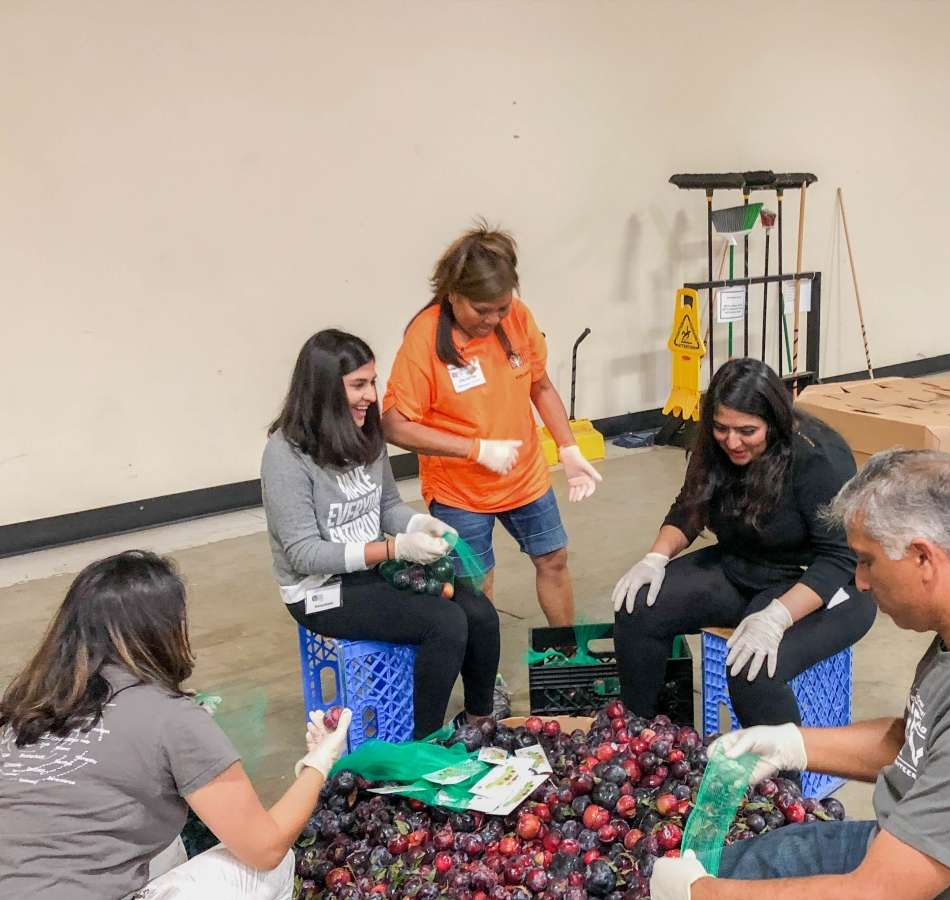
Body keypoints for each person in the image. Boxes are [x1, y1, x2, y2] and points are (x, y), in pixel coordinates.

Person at [651, 449, 950, 900]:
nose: (859, 581)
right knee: (740, 864)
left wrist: (703, 894)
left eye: (866, 560)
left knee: (718, 882)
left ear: (924, 558)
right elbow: (923, 747)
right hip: (932, 844)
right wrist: (792, 743)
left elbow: (875, 893)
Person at [0, 550, 352, 900]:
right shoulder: (172, 719)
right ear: (168, 631)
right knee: (269, 868)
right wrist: (318, 763)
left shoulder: (24, 707)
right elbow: (266, 849)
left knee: (164, 839)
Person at [612, 358, 877, 727]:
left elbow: (839, 558)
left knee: (753, 671)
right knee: (638, 606)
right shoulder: (716, 446)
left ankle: (783, 783)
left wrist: (777, 617)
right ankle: (638, 736)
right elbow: (690, 506)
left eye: (747, 431)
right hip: (743, 565)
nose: (732, 442)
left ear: (774, 422)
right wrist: (655, 558)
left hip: (821, 585)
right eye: (722, 428)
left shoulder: (817, 457)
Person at [262, 329, 500, 738]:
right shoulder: (286, 454)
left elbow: (386, 505)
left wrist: (417, 525)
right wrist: (393, 548)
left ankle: (478, 721)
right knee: (443, 624)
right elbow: (303, 554)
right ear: (323, 390)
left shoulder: (365, 433)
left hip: (375, 570)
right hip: (321, 590)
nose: (371, 395)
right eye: (358, 385)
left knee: (478, 611)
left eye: (372, 382)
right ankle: (421, 741)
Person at [381, 223, 601, 628]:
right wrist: (476, 449)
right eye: (482, 310)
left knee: (553, 559)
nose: (495, 319)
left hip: (525, 477)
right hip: (460, 490)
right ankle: (486, 679)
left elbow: (541, 384)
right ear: (453, 294)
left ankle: (567, 652)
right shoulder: (425, 339)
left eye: (502, 307)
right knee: (475, 586)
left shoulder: (517, 318)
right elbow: (394, 426)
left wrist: (569, 449)